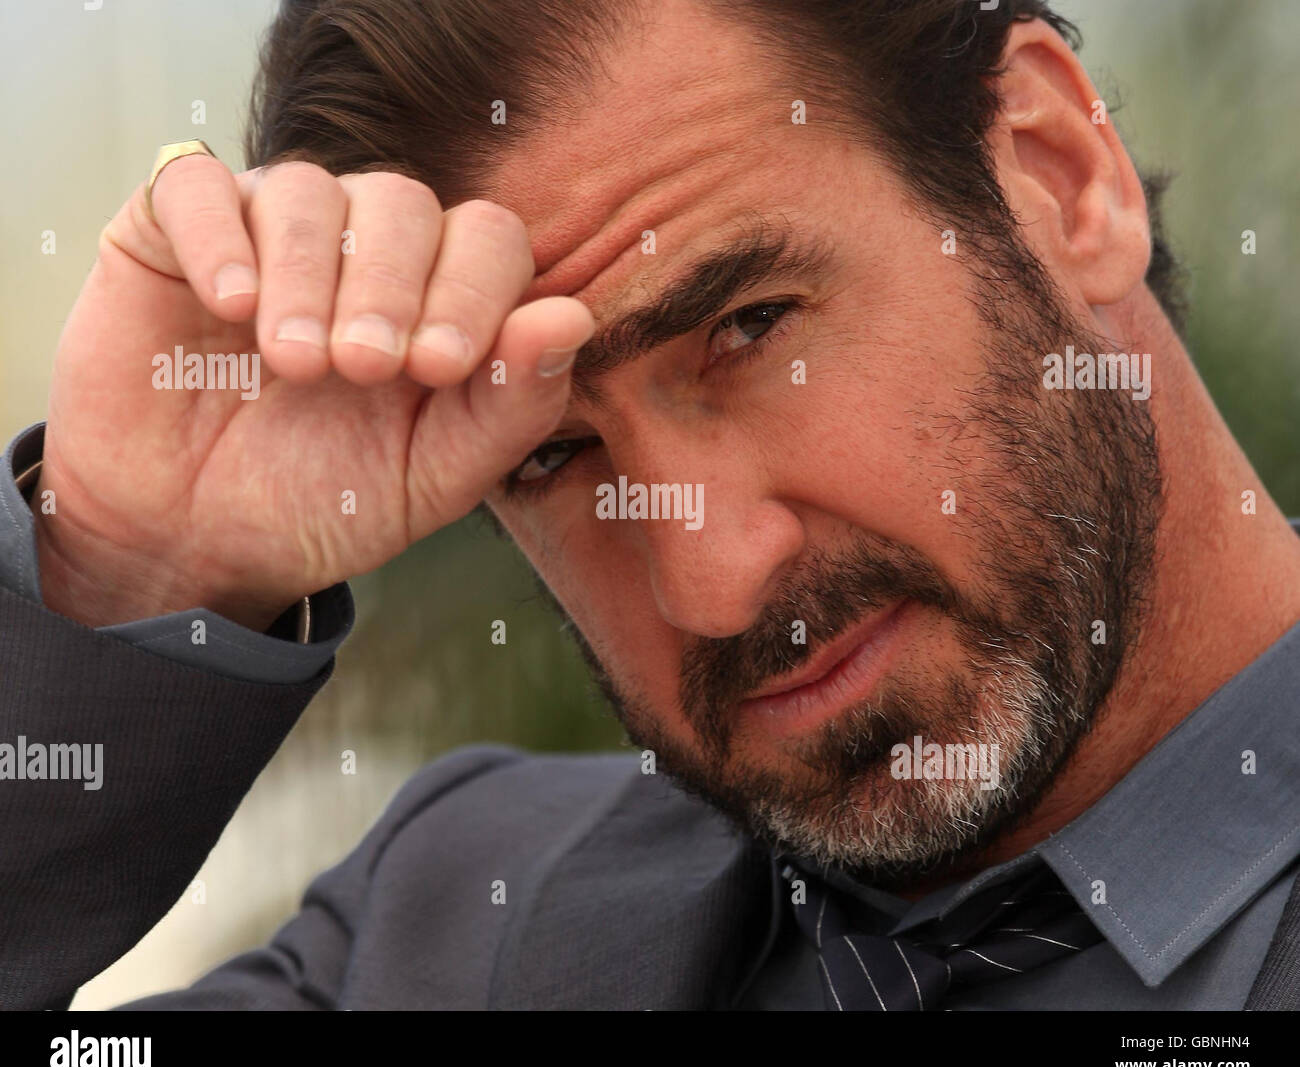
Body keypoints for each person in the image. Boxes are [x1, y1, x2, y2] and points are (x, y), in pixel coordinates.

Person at [2, 0, 1298, 1011]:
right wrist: (130, 565)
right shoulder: (451, 929)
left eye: (749, 329)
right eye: (551, 456)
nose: (713, 580)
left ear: (1060, 177)